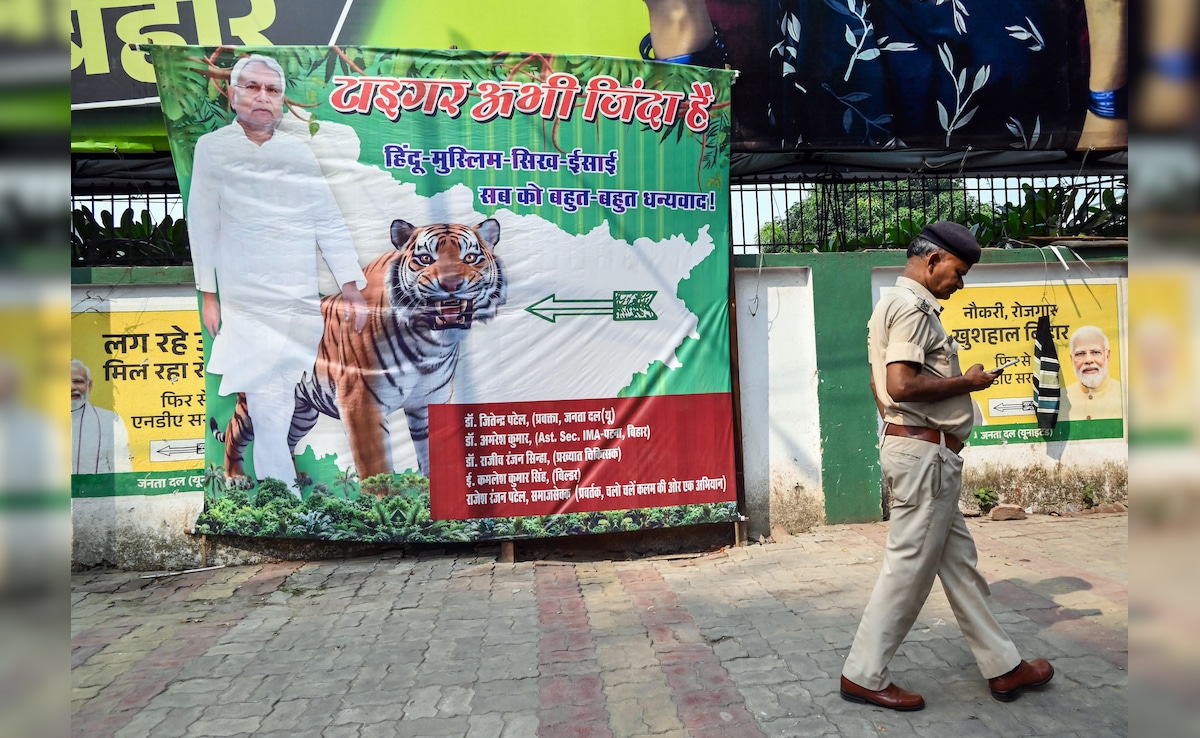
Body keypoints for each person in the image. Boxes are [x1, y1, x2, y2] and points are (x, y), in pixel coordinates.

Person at [840, 222, 1053, 711]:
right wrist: (968, 384)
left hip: (922, 452)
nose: (960, 284)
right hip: (926, 457)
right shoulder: (913, 308)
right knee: (909, 568)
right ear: (933, 259)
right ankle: (863, 674)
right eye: (957, 272)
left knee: (960, 569)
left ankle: (1003, 666)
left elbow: (882, 390)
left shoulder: (892, 306)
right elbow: (901, 385)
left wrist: (899, 431)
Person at [187, 54, 368, 487]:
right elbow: (202, 223)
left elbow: (327, 219)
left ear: (283, 101)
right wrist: (208, 295)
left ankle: (279, 489)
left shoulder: (297, 152)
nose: (261, 97)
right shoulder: (212, 148)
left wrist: (350, 286)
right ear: (232, 95)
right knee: (269, 403)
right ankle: (283, 489)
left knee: (281, 399)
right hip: (245, 300)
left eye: (271, 90)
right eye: (251, 87)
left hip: (296, 299)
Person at [71, 359, 132, 474]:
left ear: (89, 385)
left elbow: (122, 469)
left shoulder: (110, 421)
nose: (71, 387)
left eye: (78, 381)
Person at [1062, 325, 1124, 421]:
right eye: (1080, 354)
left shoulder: (1126, 395)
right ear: (1072, 359)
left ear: (1107, 356)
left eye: (1095, 352)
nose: (1088, 360)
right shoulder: (1062, 398)